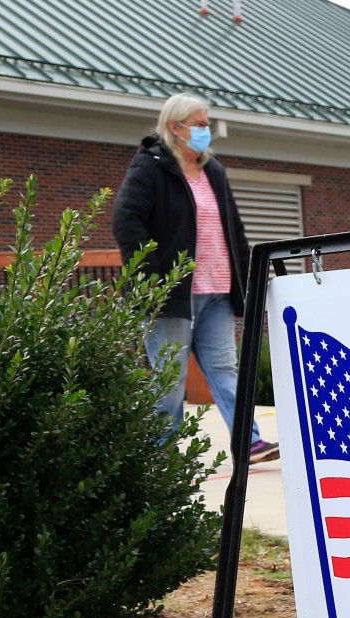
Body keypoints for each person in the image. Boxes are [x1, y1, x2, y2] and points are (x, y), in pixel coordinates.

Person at [113, 93, 277, 461]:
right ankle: (162, 454)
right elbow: (126, 221)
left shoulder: (213, 171)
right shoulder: (150, 167)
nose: (206, 131)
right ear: (176, 127)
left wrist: (249, 277)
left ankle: (248, 443)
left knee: (226, 371)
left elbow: (233, 229)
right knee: (169, 382)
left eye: (207, 124)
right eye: (200, 125)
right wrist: (154, 278)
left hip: (217, 290)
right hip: (172, 296)